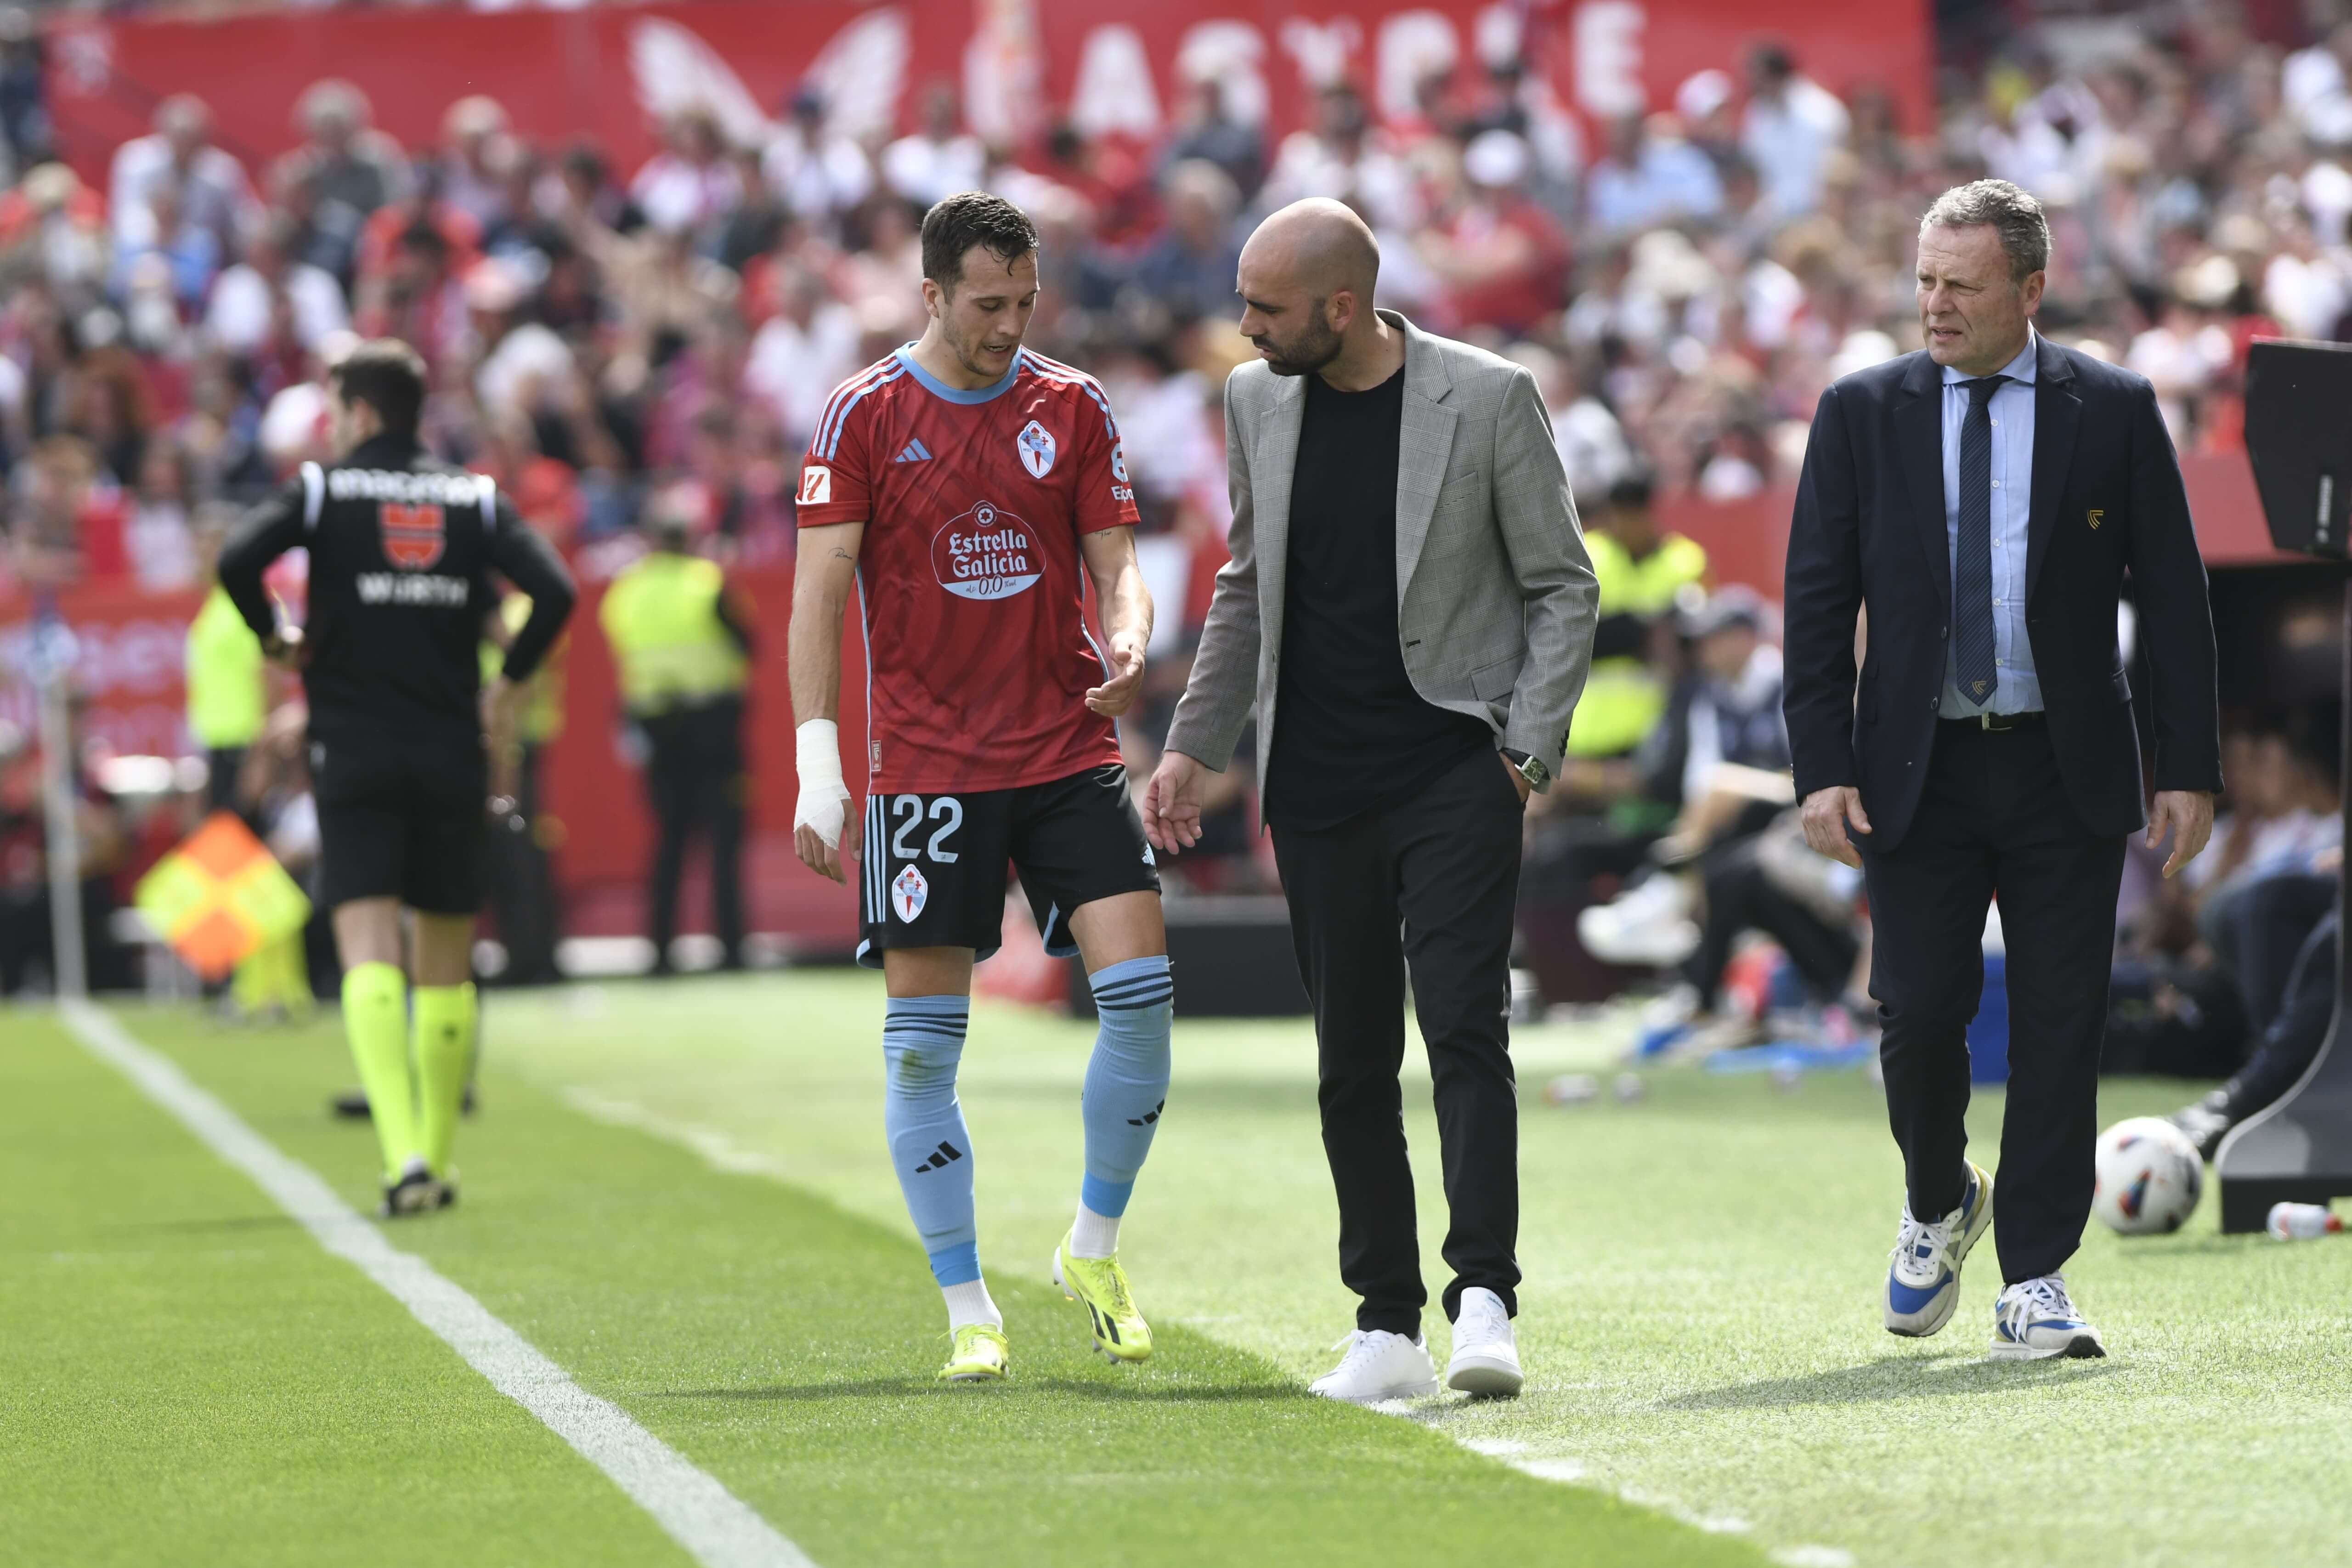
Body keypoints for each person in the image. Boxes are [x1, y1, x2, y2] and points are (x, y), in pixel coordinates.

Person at [1145, 198, 1597, 1402]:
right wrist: (1196, 744)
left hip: (1455, 769)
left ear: (1341, 307)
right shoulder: (1255, 400)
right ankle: (1386, 1324)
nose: (1245, 328)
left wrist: (1525, 752)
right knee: (1350, 1059)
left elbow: (1563, 584)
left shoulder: (1489, 396)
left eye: (1266, 308)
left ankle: (1485, 1297)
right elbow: (1247, 583)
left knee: (1463, 1029)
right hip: (1314, 780)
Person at [1783, 180, 2220, 1360]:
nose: (1934, 304)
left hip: (2063, 766)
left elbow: (2173, 593)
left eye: (1961, 285)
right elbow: (1816, 602)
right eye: (1924, 280)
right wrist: (1819, 765)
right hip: (1912, 767)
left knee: (2062, 1021)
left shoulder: (2114, 407)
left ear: (2029, 289)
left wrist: (2188, 763)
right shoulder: (1858, 410)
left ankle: (2035, 1275)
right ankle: (1938, 1197)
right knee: (1919, 1011)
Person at [788, 192, 1170, 1385]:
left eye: (1026, 302)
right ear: (934, 294)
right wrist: (818, 764)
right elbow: (817, 597)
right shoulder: (863, 413)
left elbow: (1119, 565)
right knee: (921, 1054)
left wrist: (1130, 636)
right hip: (929, 768)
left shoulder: (1073, 404)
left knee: (1144, 1001)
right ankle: (968, 1306)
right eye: (988, 303)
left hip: (1065, 750)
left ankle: (1091, 1248)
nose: (1010, 325)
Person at [218, 338, 576, 1217]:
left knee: (369, 945)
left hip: (353, 752)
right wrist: (508, 682)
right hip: (452, 750)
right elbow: (556, 590)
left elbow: (236, 559)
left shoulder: (324, 489)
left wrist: (274, 636)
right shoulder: (473, 496)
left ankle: (401, 1154)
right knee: (445, 960)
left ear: (363, 411)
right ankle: (442, 1159)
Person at [600, 510, 751, 974]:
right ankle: (731, 949)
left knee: (667, 842)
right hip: (712, 726)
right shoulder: (707, 582)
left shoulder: (626, 589)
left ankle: (661, 950)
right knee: (724, 842)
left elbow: (620, 644)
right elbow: (747, 643)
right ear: (689, 540)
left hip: (656, 726)